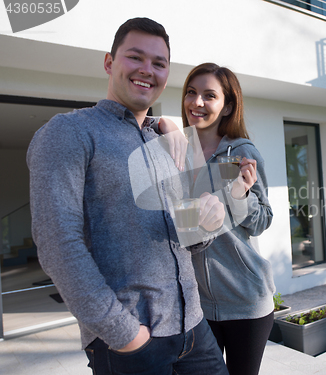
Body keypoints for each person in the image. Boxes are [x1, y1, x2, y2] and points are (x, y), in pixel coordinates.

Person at [27, 18, 229, 375]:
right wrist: (125, 335)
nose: (147, 70)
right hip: (131, 346)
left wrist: (207, 225)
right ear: (109, 62)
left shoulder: (168, 142)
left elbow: (187, 239)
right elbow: (58, 243)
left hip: (195, 329)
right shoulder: (69, 132)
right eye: (135, 57)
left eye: (159, 63)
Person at [159, 63, 275, 375]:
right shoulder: (176, 150)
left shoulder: (242, 153)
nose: (197, 102)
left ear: (228, 106)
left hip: (245, 300)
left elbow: (264, 220)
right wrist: (162, 124)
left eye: (209, 96)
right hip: (197, 303)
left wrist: (240, 196)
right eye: (191, 93)